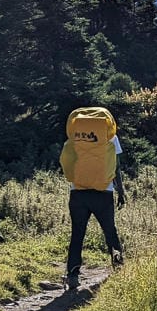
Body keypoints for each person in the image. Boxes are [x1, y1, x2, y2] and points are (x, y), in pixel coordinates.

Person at [60, 106, 126, 293]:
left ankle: (73, 276)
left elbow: (70, 160)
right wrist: (120, 192)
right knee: (110, 232)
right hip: (103, 192)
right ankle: (119, 270)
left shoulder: (75, 136)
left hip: (78, 192)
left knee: (77, 234)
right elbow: (116, 167)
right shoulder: (110, 137)